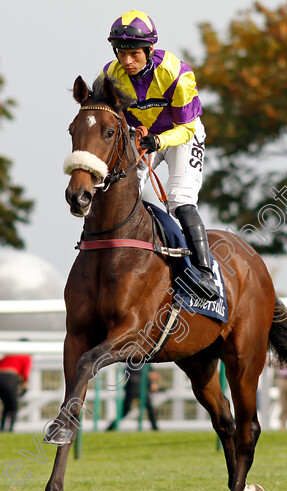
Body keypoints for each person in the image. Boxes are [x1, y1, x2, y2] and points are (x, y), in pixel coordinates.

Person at [102, 10, 217, 301]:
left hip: (180, 136)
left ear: (149, 50)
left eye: (134, 54)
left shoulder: (177, 75)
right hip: (143, 137)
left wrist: (158, 140)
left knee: (180, 200)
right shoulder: (110, 75)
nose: (126, 62)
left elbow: (186, 128)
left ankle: (204, 272)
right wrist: (134, 131)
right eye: (121, 53)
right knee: (120, 194)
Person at [0, 353, 32, 432]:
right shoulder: (26, 357)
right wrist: (25, 384)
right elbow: (25, 373)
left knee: (7, 405)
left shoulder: (9, 355)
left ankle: (1, 429)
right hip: (10, 379)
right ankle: (10, 430)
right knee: (14, 407)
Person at [106, 363, 161, 431]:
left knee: (125, 411)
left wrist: (151, 382)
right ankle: (155, 428)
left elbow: (149, 374)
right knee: (150, 410)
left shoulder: (132, 363)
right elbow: (150, 374)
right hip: (137, 389)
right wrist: (151, 383)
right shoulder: (142, 363)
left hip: (133, 388)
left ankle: (110, 428)